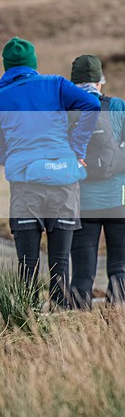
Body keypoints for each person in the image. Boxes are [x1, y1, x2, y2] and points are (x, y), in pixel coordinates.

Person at [0, 37, 100, 309]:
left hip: (25, 185)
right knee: (60, 261)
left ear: (6, 66)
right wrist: (76, 148)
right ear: (33, 63)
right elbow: (92, 106)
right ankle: (60, 320)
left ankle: (26, 322)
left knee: (27, 264)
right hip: (63, 178)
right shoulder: (56, 84)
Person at [68, 55, 125, 308]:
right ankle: (118, 323)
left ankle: (79, 325)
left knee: (82, 272)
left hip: (83, 202)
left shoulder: (66, 111)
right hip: (118, 200)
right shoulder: (118, 107)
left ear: (73, 83)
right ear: (101, 81)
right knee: (120, 267)